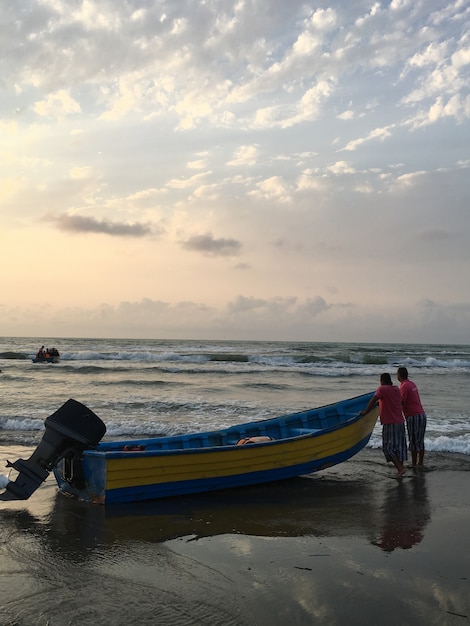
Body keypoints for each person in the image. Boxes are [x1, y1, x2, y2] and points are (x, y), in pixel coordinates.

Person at [361, 372, 407, 479]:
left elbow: (373, 399)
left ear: (382, 381)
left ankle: (400, 469)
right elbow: (396, 401)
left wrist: (365, 412)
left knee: (387, 448)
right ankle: (400, 470)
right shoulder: (396, 389)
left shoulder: (382, 389)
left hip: (389, 423)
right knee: (399, 447)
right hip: (400, 422)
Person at [397, 367, 427, 466]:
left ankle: (414, 463)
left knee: (413, 441)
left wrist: (397, 416)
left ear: (399, 375)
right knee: (420, 441)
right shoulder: (412, 384)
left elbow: (401, 402)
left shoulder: (404, 386)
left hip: (413, 416)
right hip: (421, 414)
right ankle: (420, 462)